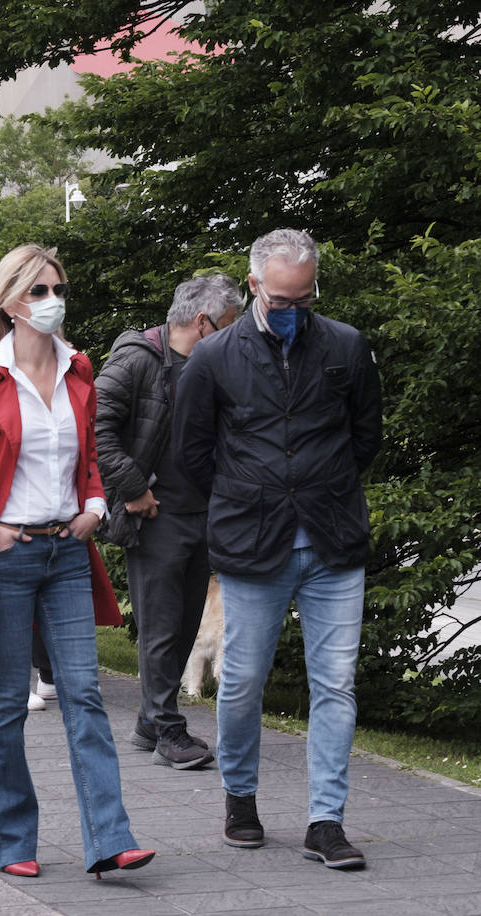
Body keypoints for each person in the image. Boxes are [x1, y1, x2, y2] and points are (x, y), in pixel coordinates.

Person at [0, 244, 153, 879]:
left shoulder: (79, 370)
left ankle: (111, 840)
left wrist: (97, 505)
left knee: (83, 692)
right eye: (41, 291)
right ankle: (13, 841)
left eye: (59, 288)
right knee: (6, 701)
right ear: (12, 304)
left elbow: (93, 454)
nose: (55, 301)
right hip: (8, 555)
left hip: (68, 553)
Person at [174, 229, 381, 868]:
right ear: (255, 284)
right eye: (283, 297)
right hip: (252, 544)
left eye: (306, 296)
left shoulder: (345, 346)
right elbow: (193, 451)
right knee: (239, 682)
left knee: (335, 687)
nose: (295, 308)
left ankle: (326, 821)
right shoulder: (212, 357)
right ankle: (241, 798)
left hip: (332, 541)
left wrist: (318, 489)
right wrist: (251, 495)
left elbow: (365, 437)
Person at [94, 273, 242, 770]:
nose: (234, 334)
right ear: (203, 323)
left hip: (202, 514)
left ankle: (149, 722)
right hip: (155, 516)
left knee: (182, 628)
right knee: (159, 626)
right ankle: (168, 731)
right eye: (227, 324)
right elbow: (95, 428)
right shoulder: (137, 359)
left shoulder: (214, 364)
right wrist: (133, 489)